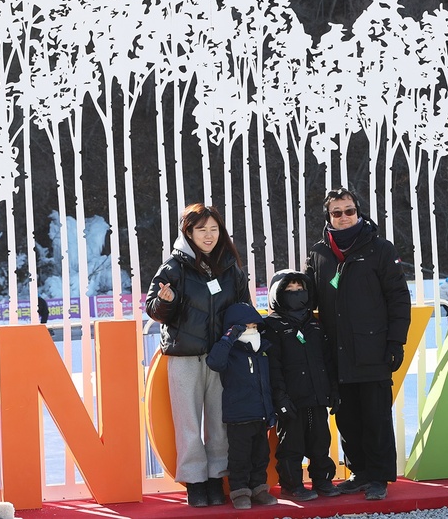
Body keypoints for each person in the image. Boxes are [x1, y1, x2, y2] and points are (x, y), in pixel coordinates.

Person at [305, 187, 411, 501]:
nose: (344, 217)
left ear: (358, 211)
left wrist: (395, 341)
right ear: (328, 217)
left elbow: (398, 298)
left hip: (373, 350)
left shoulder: (380, 248)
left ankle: (378, 477)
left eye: (349, 210)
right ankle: (359, 472)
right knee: (346, 416)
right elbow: (311, 295)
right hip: (336, 351)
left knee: (375, 417)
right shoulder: (319, 253)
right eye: (337, 213)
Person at [145, 203, 252, 508]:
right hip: (184, 356)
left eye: (214, 229)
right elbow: (154, 308)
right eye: (201, 229)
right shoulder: (174, 266)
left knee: (220, 421)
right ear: (188, 232)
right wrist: (165, 301)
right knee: (188, 422)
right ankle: (195, 481)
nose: (209, 235)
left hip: (222, 356)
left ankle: (217, 477)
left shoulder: (230, 265)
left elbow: (243, 305)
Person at [262, 269, 341, 501]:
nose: (296, 294)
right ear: (277, 294)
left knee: (320, 440)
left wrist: (333, 390)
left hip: (316, 396)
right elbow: (272, 367)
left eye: (300, 290)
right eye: (289, 290)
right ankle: (291, 484)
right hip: (291, 399)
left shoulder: (315, 324)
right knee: (291, 444)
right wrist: (280, 398)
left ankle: (322, 480)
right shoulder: (272, 325)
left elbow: (327, 360)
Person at [205, 302, 278, 510]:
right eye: (246, 327)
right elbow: (215, 362)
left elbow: (268, 383)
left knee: (260, 456)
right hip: (238, 416)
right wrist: (228, 338)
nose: (252, 331)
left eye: (255, 327)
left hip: (261, 415)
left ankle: (259, 489)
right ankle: (240, 492)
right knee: (239, 457)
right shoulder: (230, 352)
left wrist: (270, 411)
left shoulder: (263, 350)